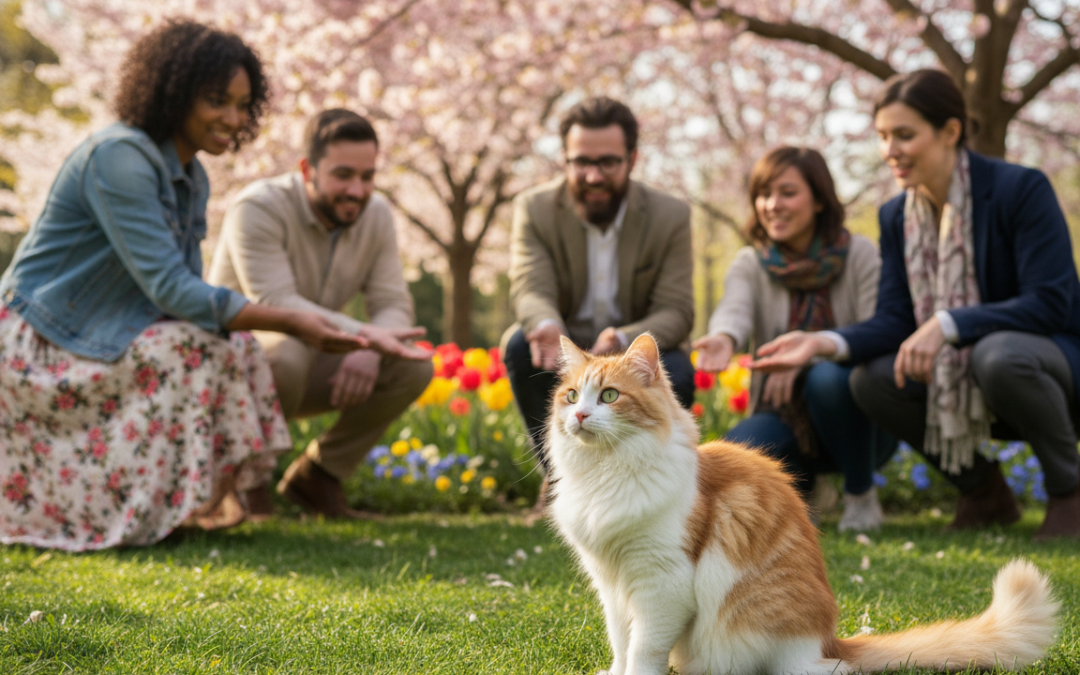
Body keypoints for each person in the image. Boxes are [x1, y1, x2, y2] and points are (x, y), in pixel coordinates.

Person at [0, 21, 425, 551]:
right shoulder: (118, 157)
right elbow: (172, 288)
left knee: (229, 348)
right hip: (43, 331)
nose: (233, 118)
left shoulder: (191, 176)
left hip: (108, 330)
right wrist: (294, 322)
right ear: (173, 92)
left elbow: (183, 289)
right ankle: (159, 509)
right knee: (196, 347)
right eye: (216, 100)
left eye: (243, 105)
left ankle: (188, 505)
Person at [753, 69, 1080, 541]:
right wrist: (820, 342)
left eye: (904, 135)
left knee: (1000, 353)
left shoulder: (1020, 190)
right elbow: (894, 322)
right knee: (874, 379)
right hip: (972, 373)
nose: (890, 150)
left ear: (950, 132)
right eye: (883, 136)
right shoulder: (896, 215)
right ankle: (983, 490)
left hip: (1052, 365)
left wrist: (948, 323)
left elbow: (1049, 304)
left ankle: (1068, 491)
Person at [209, 109, 434, 520]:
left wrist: (370, 349)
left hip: (316, 350)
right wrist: (368, 335)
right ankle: (245, 484)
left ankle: (318, 476)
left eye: (367, 177)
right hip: (235, 361)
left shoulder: (377, 214)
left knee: (413, 366)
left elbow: (393, 304)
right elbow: (275, 301)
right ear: (306, 169)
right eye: (343, 175)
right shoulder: (257, 207)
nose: (357, 190)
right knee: (288, 353)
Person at [692, 147, 895, 531]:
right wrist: (723, 336)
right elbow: (734, 309)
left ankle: (860, 494)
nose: (772, 205)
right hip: (782, 413)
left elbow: (880, 330)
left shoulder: (860, 255)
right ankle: (806, 488)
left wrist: (809, 359)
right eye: (764, 194)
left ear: (819, 199)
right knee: (734, 457)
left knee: (825, 379)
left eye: (787, 193)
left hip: (860, 421)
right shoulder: (752, 263)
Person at [502, 96, 695, 468]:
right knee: (520, 346)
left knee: (678, 371)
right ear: (564, 159)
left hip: (634, 345)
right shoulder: (535, 209)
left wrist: (623, 340)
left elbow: (676, 309)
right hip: (568, 341)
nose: (593, 176)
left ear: (632, 159)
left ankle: (655, 471)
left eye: (608, 162)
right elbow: (530, 284)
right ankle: (557, 476)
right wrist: (547, 325)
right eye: (582, 162)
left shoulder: (669, 215)